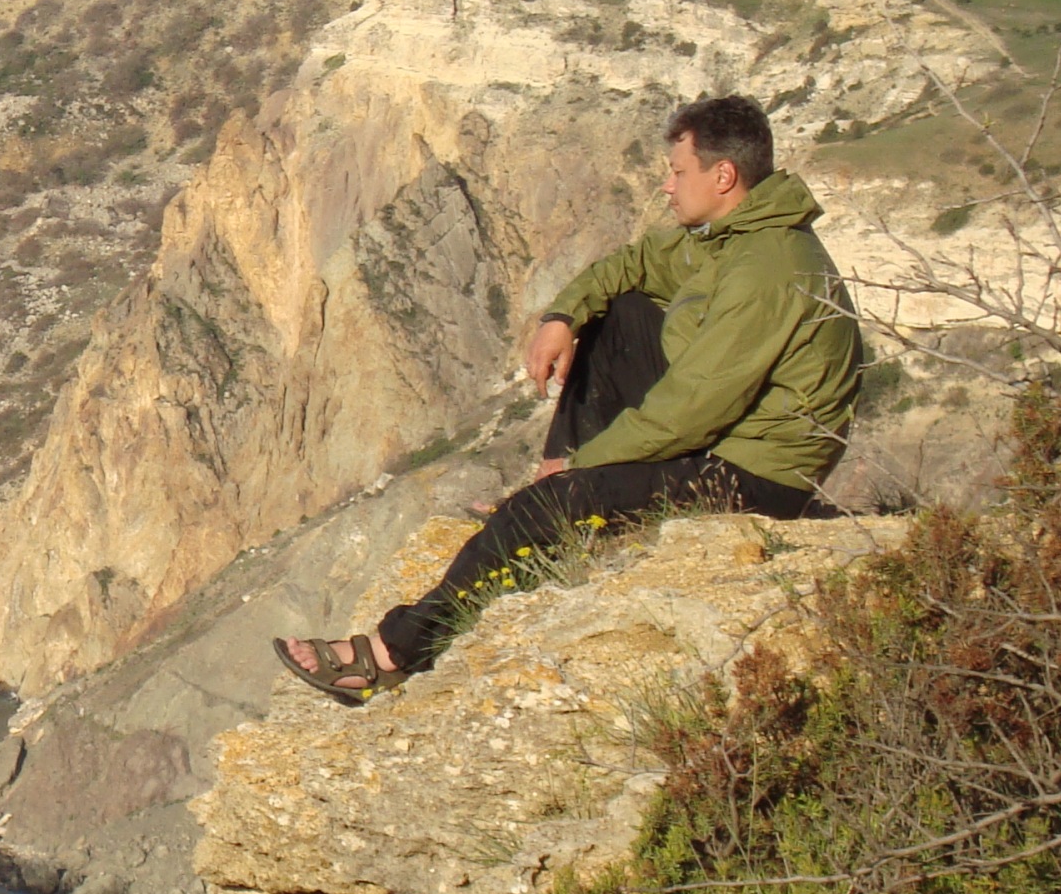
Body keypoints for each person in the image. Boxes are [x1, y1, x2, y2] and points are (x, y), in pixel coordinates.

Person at [276, 94, 863, 704]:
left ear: (723, 176)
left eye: (677, 172)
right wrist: (562, 316)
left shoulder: (765, 268)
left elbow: (690, 412)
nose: (667, 186)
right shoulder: (730, 237)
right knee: (620, 315)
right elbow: (635, 265)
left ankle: (392, 654)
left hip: (758, 475)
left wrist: (583, 471)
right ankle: (554, 477)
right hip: (729, 433)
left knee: (550, 509)